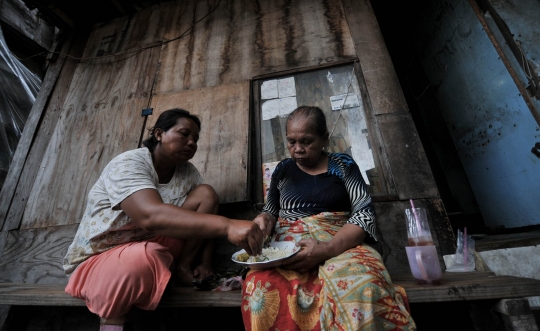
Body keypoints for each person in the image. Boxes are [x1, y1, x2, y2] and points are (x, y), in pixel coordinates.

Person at [63, 108, 263, 330]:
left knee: (206, 194)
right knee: (142, 257)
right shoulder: (129, 163)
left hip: (154, 247)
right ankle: (111, 323)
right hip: (101, 256)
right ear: (159, 134)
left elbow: (204, 219)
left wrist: (205, 263)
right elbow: (150, 215)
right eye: (184, 134)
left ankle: (182, 270)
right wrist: (228, 225)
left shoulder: (188, 172)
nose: (191, 143)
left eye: (195, 139)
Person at [242, 106, 416, 330]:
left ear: (324, 138)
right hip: (288, 249)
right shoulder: (283, 170)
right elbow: (271, 211)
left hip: (343, 245)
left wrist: (328, 248)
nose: (297, 149)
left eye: (306, 141)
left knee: (366, 285)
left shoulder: (343, 165)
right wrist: (263, 220)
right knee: (259, 286)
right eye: (291, 141)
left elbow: (364, 214)